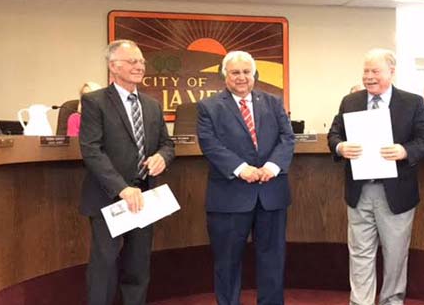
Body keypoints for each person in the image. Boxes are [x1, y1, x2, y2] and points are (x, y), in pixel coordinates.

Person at [327, 48, 424, 305]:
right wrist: (341, 147)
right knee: (360, 253)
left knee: (395, 254)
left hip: (396, 192)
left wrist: (404, 150)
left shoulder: (411, 102)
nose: (369, 76)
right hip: (359, 190)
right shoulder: (350, 101)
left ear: (391, 72)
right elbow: (333, 135)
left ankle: (392, 301)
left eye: (375, 71)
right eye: (366, 71)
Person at [79, 39, 175, 305]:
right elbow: (91, 150)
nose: (139, 66)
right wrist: (121, 188)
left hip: (144, 196)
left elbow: (167, 144)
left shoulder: (152, 105)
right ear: (113, 66)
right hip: (109, 197)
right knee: (105, 267)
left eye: (142, 61)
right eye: (132, 61)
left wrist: (161, 158)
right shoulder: (94, 102)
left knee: (138, 265)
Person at [197, 51, 295, 305]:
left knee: (273, 260)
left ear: (254, 75)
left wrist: (272, 166)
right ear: (224, 76)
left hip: (271, 193)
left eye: (246, 72)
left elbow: (287, 138)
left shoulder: (274, 102)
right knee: (227, 262)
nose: (241, 77)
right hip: (230, 196)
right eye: (235, 72)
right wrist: (242, 168)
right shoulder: (209, 107)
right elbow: (210, 144)